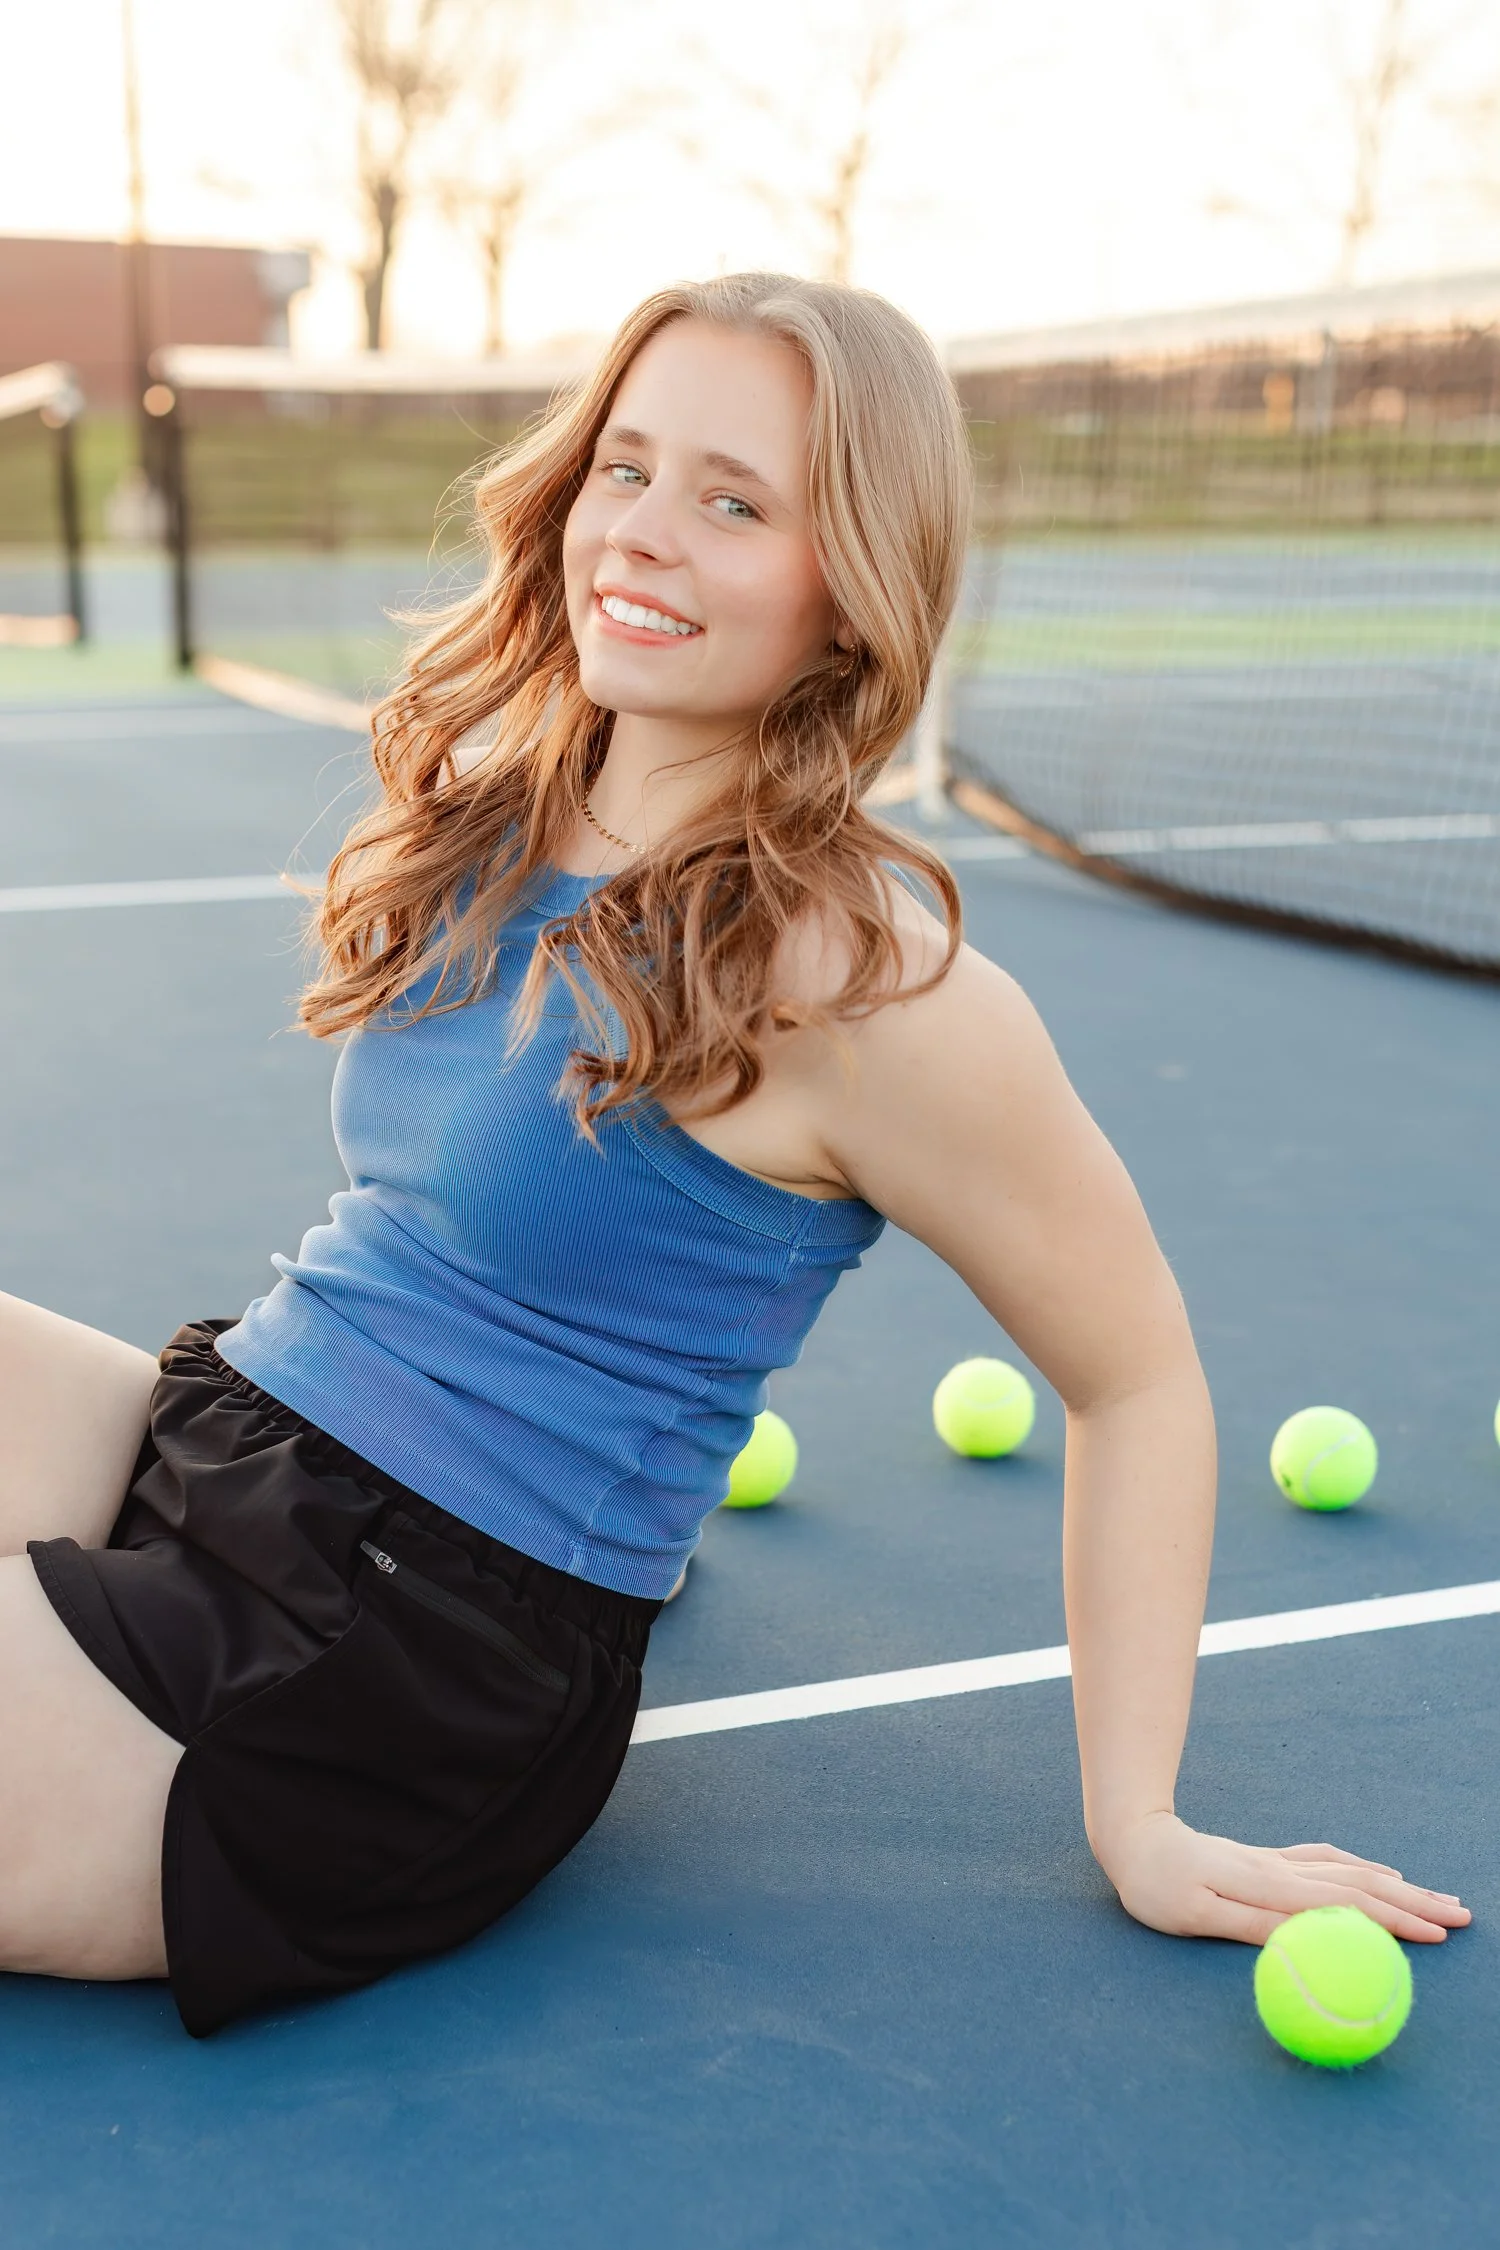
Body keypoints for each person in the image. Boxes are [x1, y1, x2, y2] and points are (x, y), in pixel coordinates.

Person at [0, 273, 1466, 2039]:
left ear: (849, 590)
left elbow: (1138, 1375)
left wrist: (1138, 1820)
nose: (642, 529)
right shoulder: (511, 812)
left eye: (736, 501)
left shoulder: (865, 985)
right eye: (626, 467)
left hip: (401, 1660)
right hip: (242, 1430)